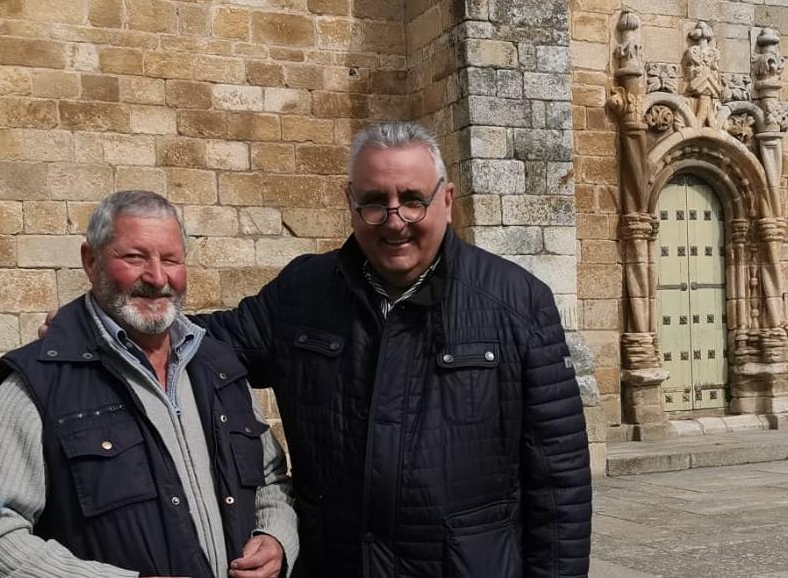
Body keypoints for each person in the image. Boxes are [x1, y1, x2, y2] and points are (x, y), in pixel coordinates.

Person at [196, 121, 592, 576]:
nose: (394, 220)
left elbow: (559, 482)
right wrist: (115, 319)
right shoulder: (302, 294)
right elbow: (203, 349)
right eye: (373, 202)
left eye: (412, 199)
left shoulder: (517, 303)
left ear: (446, 200)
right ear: (350, 203)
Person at [0, 191, 298, 578]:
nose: (157, 277)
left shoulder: (220, 367)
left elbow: (270, 479)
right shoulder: (37, 382)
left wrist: (276, 536)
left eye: (170, 260)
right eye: (134, 257)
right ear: (90, 261)